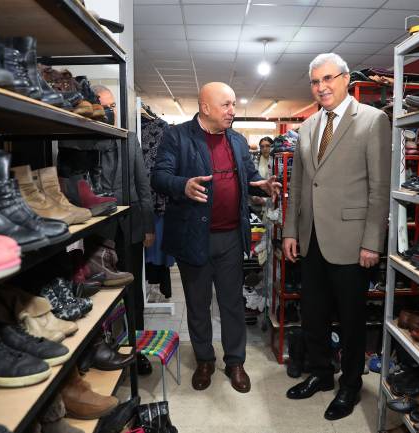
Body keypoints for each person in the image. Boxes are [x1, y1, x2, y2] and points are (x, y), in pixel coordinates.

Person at [151, 82, 280, 393]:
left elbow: (248, 176)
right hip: (193, 237)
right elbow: (159, 176)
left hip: (231, 237)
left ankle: (235, 362)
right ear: (205, 107)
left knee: (232, 303)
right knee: (198, 304)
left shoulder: (237, 140)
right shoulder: (177, 136)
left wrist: (261, 185)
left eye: (233, 104)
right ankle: (205, 360)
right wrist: (182, 185)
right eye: (226, 105)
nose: (232, 110)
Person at [282, 53, 390, 420]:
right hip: (311, 237)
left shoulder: (373, 120)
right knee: (313, 314)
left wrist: (372, 241)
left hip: (352, 239)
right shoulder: (308, 126)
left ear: (345, 79)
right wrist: (291, 231)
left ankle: (350, 385)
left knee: (351, 318)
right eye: (315, 81)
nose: (321, 87)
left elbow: (379, 188)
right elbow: (299, 185)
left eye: (328, 78)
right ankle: (321, 373)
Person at [93, 85, 156, 376]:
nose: (110, 112)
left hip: (130, 226)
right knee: (102, 292)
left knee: (132, 292)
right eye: (103, 106)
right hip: (98, 228)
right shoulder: (83, 139)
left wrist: (148, 226)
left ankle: (135, 349)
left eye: (112, 106)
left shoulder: (130, 139)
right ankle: (103, 347)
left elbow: (143, 185)